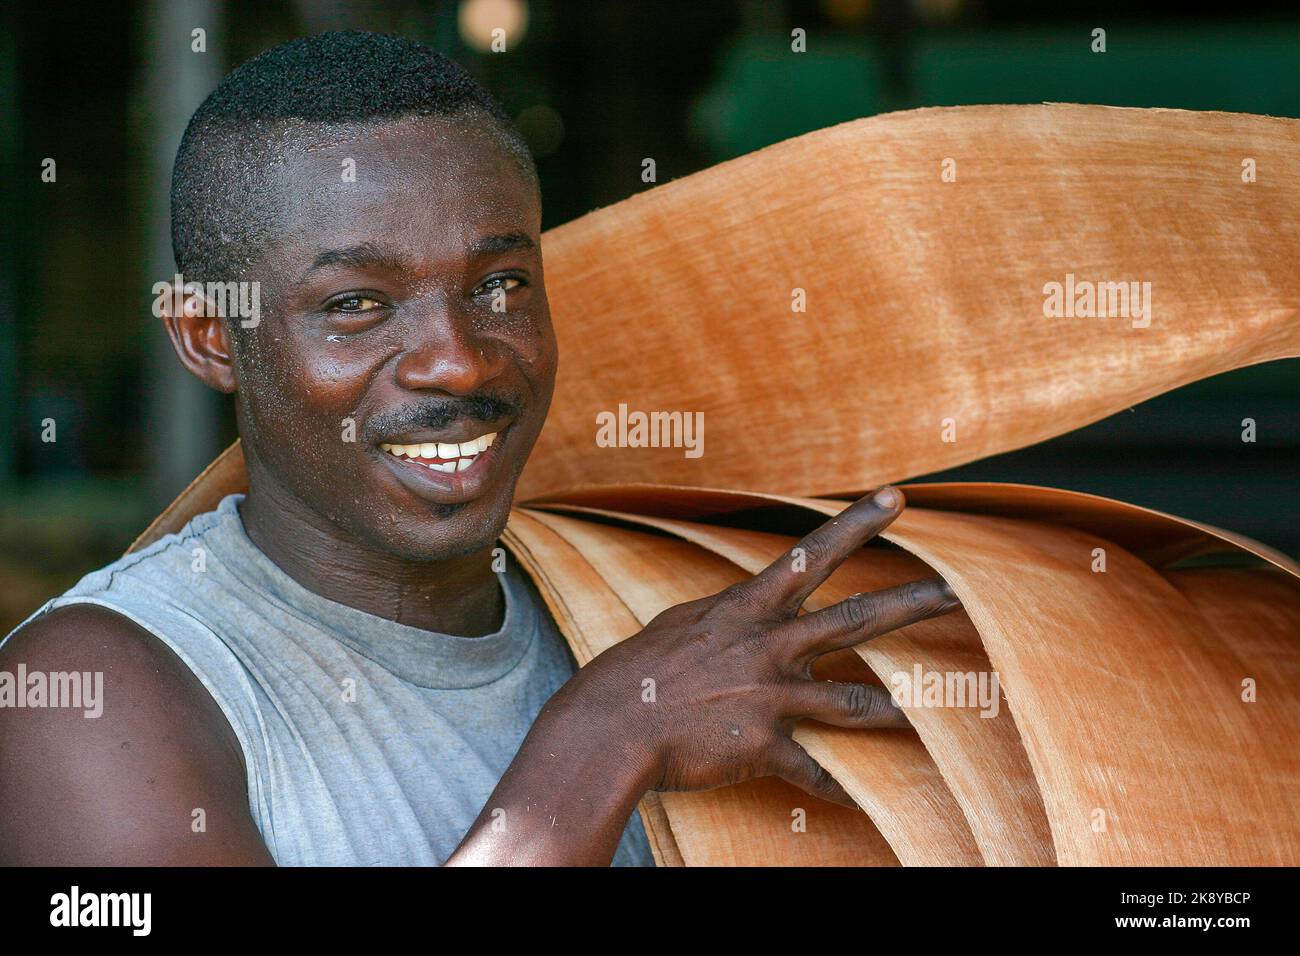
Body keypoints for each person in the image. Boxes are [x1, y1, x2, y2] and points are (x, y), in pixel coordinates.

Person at [0, 31, 959, 866]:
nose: (458, 363)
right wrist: (604, 739)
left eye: (500, 284)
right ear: (211, 337)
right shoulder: (92, 699)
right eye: (356, 306)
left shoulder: (660, 611)